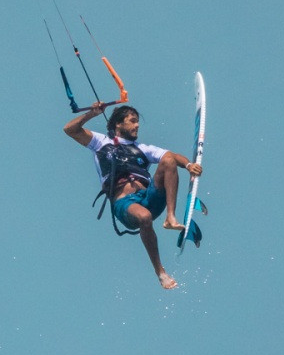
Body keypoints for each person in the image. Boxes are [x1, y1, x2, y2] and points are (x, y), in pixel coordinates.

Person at [64, 101, 202, 290]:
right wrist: (92, 114)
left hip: (149, 197)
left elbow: (174, 156)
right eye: (132, 121)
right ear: (118, 125)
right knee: (144, 217)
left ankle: (170, 217)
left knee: (168, 160)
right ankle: (160, 272)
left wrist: (188, 165)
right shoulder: (100, 142)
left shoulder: (143, 149)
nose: (137, 125)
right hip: (125, 204)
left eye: (137, 122)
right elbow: (70, 129)